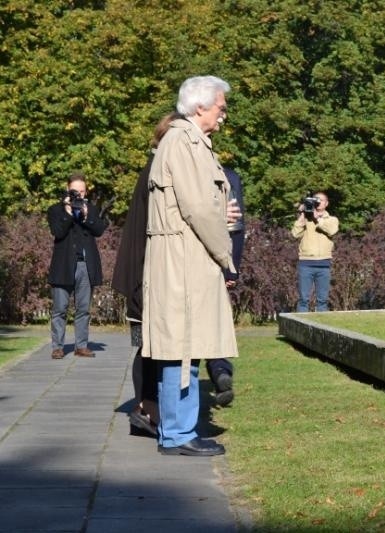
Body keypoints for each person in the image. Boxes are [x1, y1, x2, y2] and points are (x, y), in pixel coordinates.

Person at [142, 75, 238, 457]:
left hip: (185, 255)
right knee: (182, 344)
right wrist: (224, 253)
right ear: (200, 107)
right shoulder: (183, 142)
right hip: (185, 259)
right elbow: (198, 208)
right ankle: (179, 434)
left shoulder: (187, 142)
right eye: (220, 107)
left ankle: (179, 431)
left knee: (185, 344)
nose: (223, 115)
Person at [112, 112, 179, 437]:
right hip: (144, 275)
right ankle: (147, 410)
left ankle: (146, 408)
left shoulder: (152, 167)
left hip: (141, 273)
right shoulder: (156, 170)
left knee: (149, 347)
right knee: (149, 347)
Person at [47, 172, 107, 359]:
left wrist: (87, 216)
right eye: (75, 191)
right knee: (60, 308)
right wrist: (67, 213)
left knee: (83, 309)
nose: (79, 195)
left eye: (82, 191)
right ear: (68, 189)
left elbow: (99, 230)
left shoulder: (91, 208)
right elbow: (57, 231)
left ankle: (81, 345)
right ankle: (58, 347)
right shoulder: (55, 210)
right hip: (63, 265)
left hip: (85, 265)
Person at [205, 165, 245, 407]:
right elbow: (236, 228)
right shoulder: (229, 176)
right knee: (213, 322)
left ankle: (218, 370)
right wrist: (231, 267)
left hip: (190, 261)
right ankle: (220, 368)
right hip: (219, 260)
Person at [291, 191, 339, 312]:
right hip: (305, 263)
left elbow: (332, 231)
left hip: (324, 264)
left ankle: (321, 327)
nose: (317, 202)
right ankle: (301, 327)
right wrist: (302, 215)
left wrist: (317, 219)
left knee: (322, 300)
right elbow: (295, 234)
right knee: (303, 299)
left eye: (321, 200)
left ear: (326, 203)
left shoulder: (332, 219)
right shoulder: (306, 219)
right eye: (315, 199)